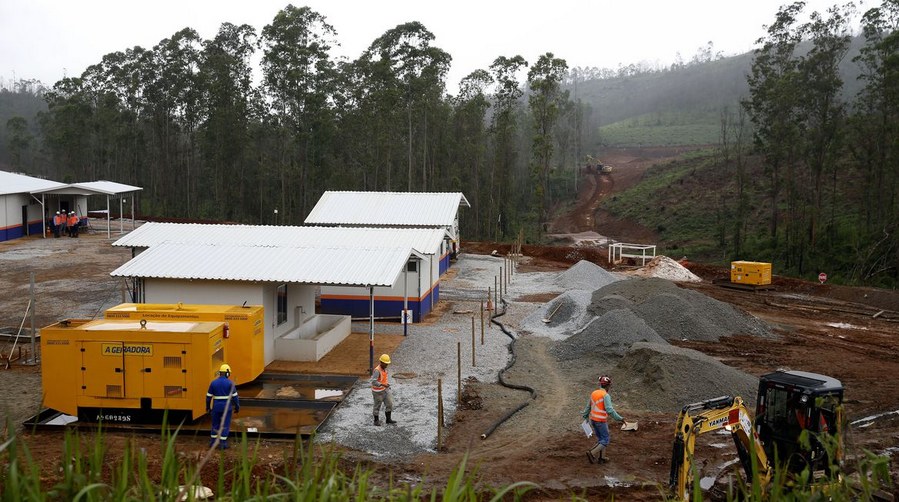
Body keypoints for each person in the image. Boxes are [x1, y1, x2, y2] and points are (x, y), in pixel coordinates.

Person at [583, 375, 628, 464]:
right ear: (608, 386)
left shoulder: (594, 393)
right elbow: (609, 410)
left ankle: (602, 458)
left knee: (601, 439)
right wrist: (620, 418)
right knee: (605, 440)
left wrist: (585, 416)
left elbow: (588, 406)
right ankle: (592, 453)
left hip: (593, 420)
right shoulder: (605, 395)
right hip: (601, 421)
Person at [206, 363, 240, 449]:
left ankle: (213, 442)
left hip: (216, 408)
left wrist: (208, 407)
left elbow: (208, 397)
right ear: (227, 373)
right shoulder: (230, 383)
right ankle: (223, 443)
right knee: (225, 425)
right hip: (226, 408)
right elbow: (235, 397)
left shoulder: (213, 383)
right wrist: (237, 407)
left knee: (215, 424)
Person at [371, 353, 397, 426]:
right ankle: (376, 421)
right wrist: (382, 384)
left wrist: (386, 385)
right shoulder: (377, 370)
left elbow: (383, 379)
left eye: (387, 363)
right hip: (377, 392)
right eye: (385, 363)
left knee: (390, 404)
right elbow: (373, 381)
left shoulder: (384, 369)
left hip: (385, 390)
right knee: (377, 406)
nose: (387, 365)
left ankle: (388, 419)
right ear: (381, 362)